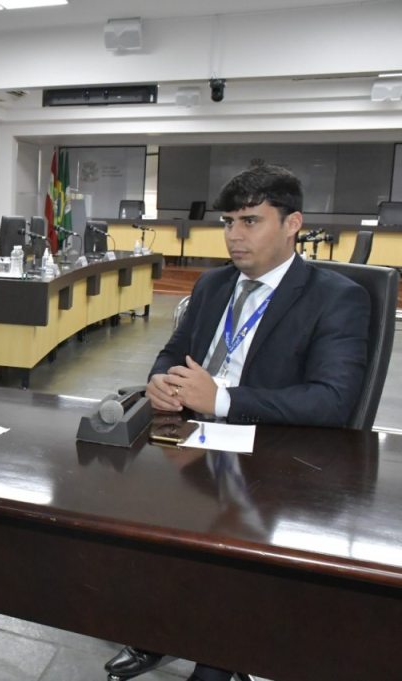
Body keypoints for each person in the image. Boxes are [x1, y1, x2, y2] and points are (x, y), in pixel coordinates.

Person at [108, 164, 370, 681]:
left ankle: (218, 661)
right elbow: (172, 353)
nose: (233, 236)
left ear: (292, 223)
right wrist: (160, 381)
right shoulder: (212, 284)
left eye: (251, 221)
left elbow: (332, 402)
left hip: (270, 457)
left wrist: (223, 399)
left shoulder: (336, 297)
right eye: (228, 222)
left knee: (226, 546)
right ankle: (156, 631)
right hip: (189, 442)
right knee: (126, 513)